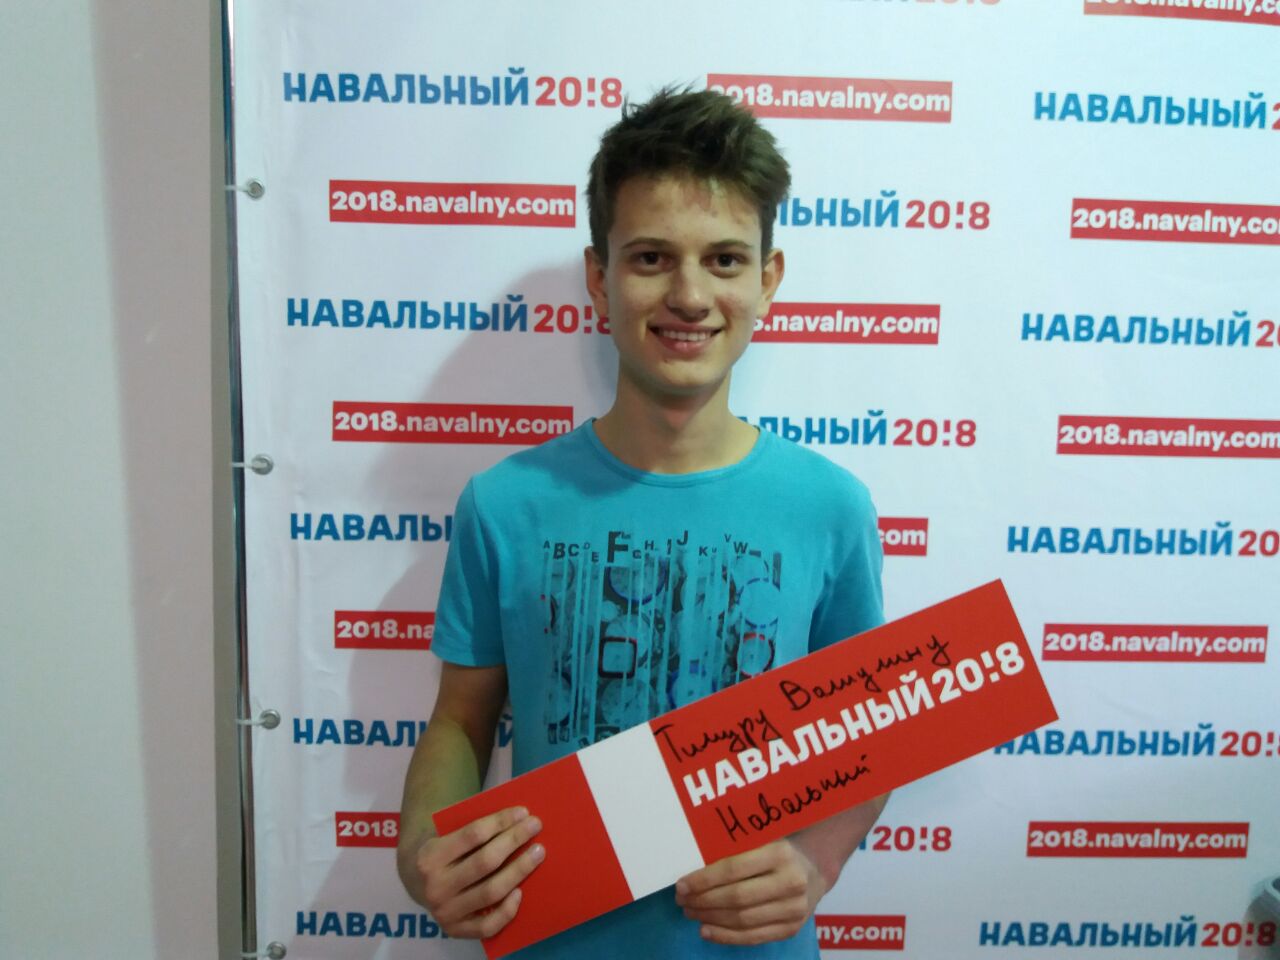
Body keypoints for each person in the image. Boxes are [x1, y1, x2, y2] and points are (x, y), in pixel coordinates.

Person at [396, 86, 887, 957]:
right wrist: (423, 848)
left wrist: (818, 862)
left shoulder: (830, 507)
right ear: (600, 277)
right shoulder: (505, 502)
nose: (690, 295)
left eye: (725, 260)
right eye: (652, 257)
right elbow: (460, 721)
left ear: (768, 280)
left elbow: (870, 736)